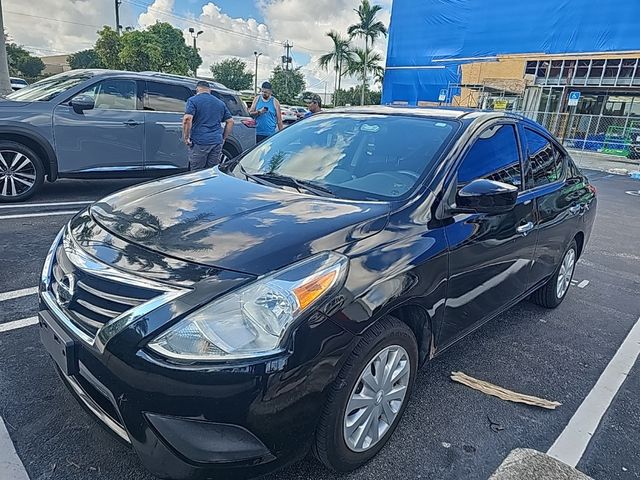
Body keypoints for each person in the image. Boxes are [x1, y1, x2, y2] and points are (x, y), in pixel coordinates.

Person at [182, 80, 234, 170]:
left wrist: (186, 137)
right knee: (212, 171)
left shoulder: (193, 100)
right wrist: (223, 138)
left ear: (197, 89)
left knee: (197, 173)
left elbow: (187, 119)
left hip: (200, 141)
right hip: (216, 142)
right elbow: (230, 121)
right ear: (209, 90)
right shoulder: (220, 103)